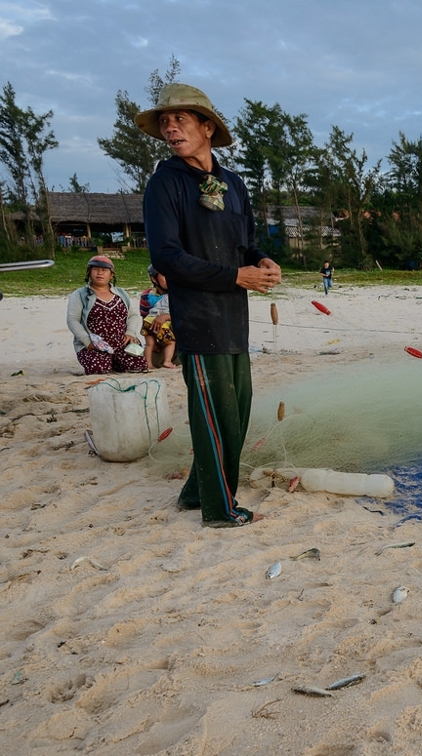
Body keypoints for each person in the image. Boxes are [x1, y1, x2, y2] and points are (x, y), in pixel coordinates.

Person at [136, 83, 281, 528]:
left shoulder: (233, 184)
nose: (170, 127)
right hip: (198, 318)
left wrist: (260, 261)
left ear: (207, 126)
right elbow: (167, 258)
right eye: (164, 121)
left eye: (180, 119)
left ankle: (196, 492)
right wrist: (236, 276)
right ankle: (220, 509)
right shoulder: (164, 184)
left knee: (235, 413)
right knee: (215, 416)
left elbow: (247, 243)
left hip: (235, 318)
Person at [66, 255, 148, 375]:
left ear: (111, 274)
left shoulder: (121, 293)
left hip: (122, 343)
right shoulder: (79, 295)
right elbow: (72, 320)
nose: (99, 273)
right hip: (94, 345)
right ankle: (108, 361)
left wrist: (130, 332)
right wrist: (87, 341)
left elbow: (134, 315)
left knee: (139, 366)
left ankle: (114, 360)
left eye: (104, 270)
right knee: (99, 369)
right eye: (95, 269)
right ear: (89, 272)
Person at [140, 265, 177, 370]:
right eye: (164, 276)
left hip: (179, 335)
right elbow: (144, 317)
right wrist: (153, 341)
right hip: (157, 332)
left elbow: (189, 316)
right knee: (154, 350)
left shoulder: (180, 293)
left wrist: (167, 316)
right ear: (154, 279)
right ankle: (161, 362)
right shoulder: (145, 296)